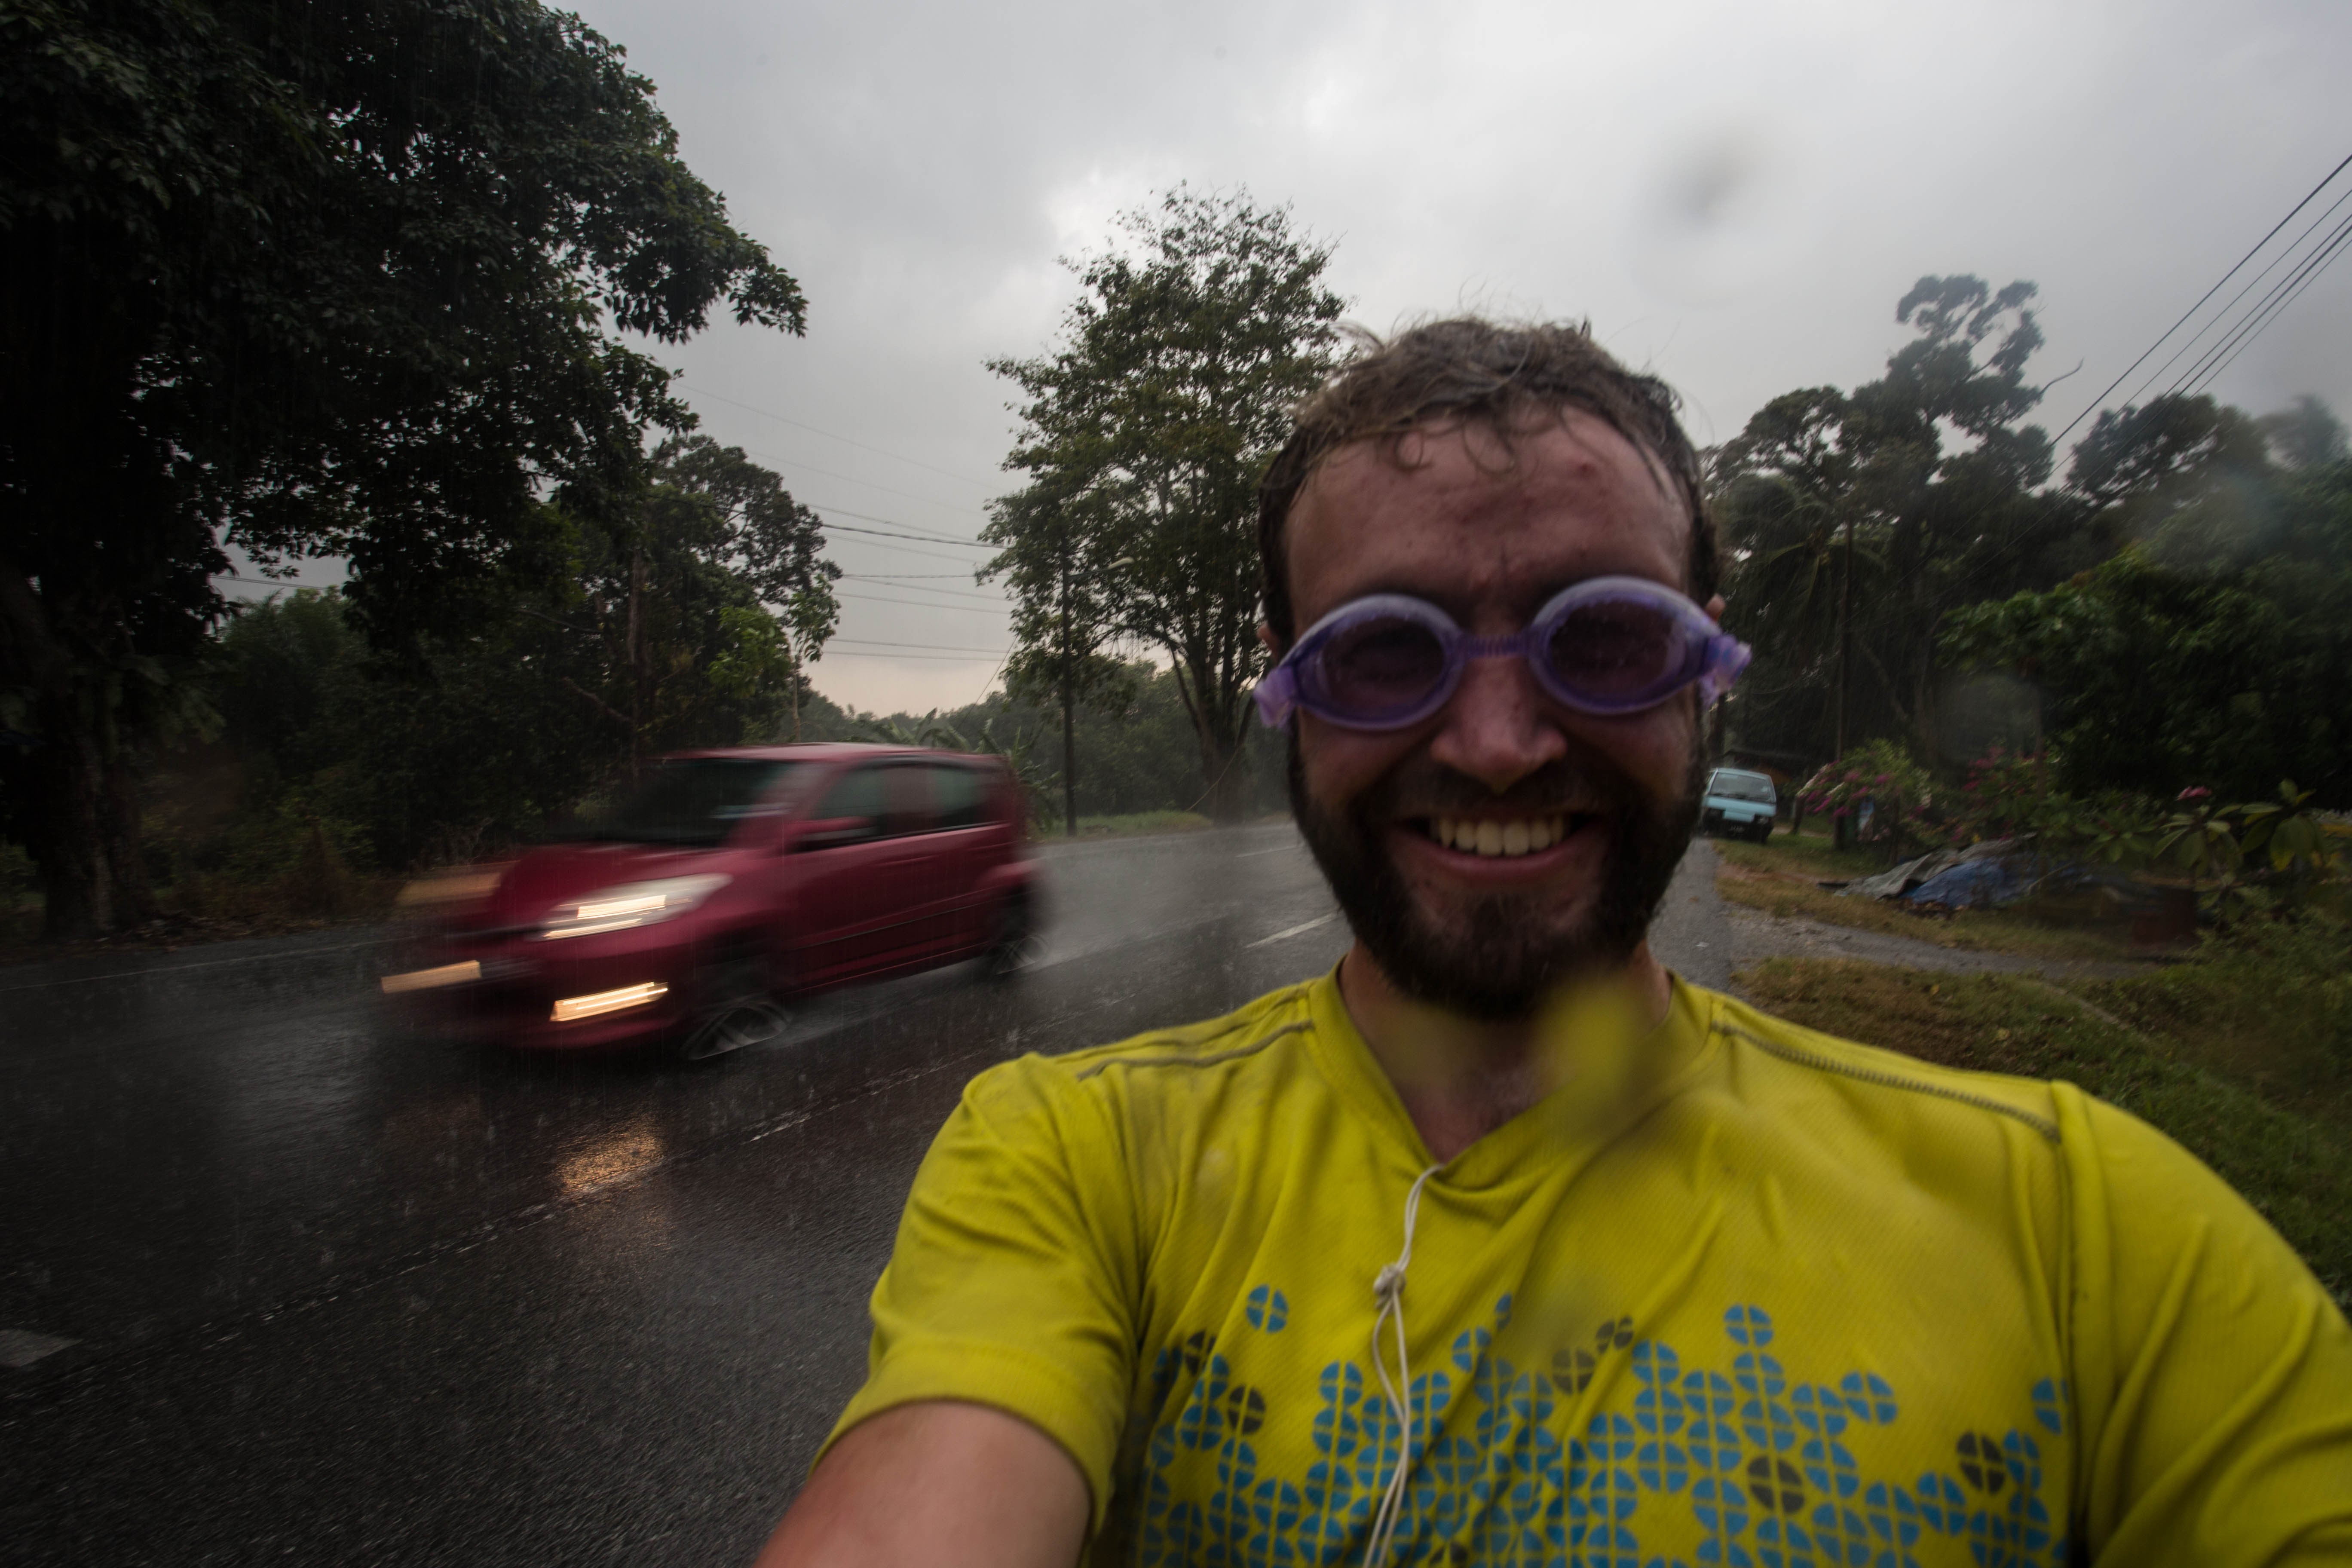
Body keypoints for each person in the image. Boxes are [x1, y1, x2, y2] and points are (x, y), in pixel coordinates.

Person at [758, 320, 2352, 1567]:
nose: (1504, 742)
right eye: (1388, 653)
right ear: (1291, 691)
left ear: (1703, 677)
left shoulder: (2083, 1228)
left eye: (1604, 638)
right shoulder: (1072, 1165)